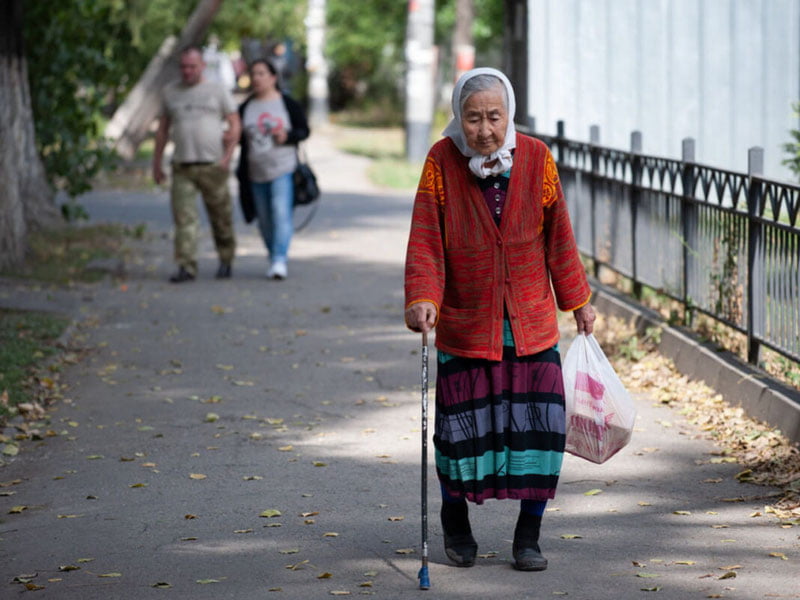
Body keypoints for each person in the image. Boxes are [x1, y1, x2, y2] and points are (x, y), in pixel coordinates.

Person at [404, 68, 596, 572]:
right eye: (473, 118)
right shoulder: (441, 162)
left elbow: (559, 236)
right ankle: (455, 520)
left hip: (531, 322)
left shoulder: (537, 159)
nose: (484, 129)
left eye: (494, 116)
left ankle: (528, 536)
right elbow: (426, 236)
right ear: (457, 118)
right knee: (459, 434)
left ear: (508, 115)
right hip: (466, 324)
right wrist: (423, 297)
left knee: (544, 430)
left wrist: (578, 301)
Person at [153, 45, 241, 283]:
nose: (187, 71)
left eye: (192, 66)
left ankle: (226, 258)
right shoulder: (170, 92)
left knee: (220, 217)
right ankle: (186, 266)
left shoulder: (217, 90)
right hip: (182, 165)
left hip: (213, 165)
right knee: (184, 218)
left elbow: (235, 125)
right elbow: (162, 131)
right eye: (183, 66)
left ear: (202, 66)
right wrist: (157, 163)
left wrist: (227, 157)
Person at [236, 59, 309, 279]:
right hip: (255, 172)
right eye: (254, 73)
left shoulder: (287, 104)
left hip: (283, 169)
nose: (256, 78)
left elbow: (304, 130)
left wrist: (287, 136)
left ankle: (279, 259)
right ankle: (273, 254)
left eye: (261, 73)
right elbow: (237, 137)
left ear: (273, 78)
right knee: (264, 218)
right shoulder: (246, 107)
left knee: (280, 213)